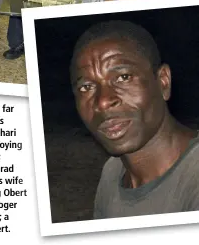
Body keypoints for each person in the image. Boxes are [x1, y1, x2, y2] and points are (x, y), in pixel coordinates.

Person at [70, 20, 199, 218]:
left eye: (123, 77)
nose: (103, 102)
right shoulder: (113, 172)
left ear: (163, 82)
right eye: (86, 87)